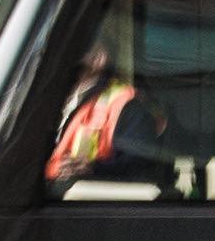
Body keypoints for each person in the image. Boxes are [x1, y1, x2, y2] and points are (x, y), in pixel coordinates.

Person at [47, 45, 165, 190]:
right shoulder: (52, 98)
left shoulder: (127, 105)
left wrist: (93, 169)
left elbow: (139, 163)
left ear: (98, 58)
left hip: (86, 202)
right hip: (50, 196)